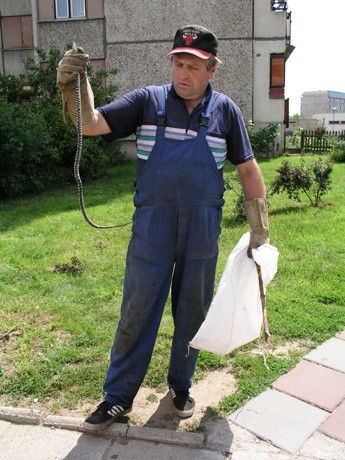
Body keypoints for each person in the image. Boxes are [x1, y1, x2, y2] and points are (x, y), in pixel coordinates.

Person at [57, 24, 269, 431]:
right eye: (178, 63)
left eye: (193, 66)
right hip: (152, 227)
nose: (183, 73)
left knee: (192, 311)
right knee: (137, 310)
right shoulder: (147, 102)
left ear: (212, 69)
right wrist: (74, 86)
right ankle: (117, 397)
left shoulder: (226, 111)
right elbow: (91, 123)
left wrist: (259, 228)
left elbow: (247, 167)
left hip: (202, 229)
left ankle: (181, 386)